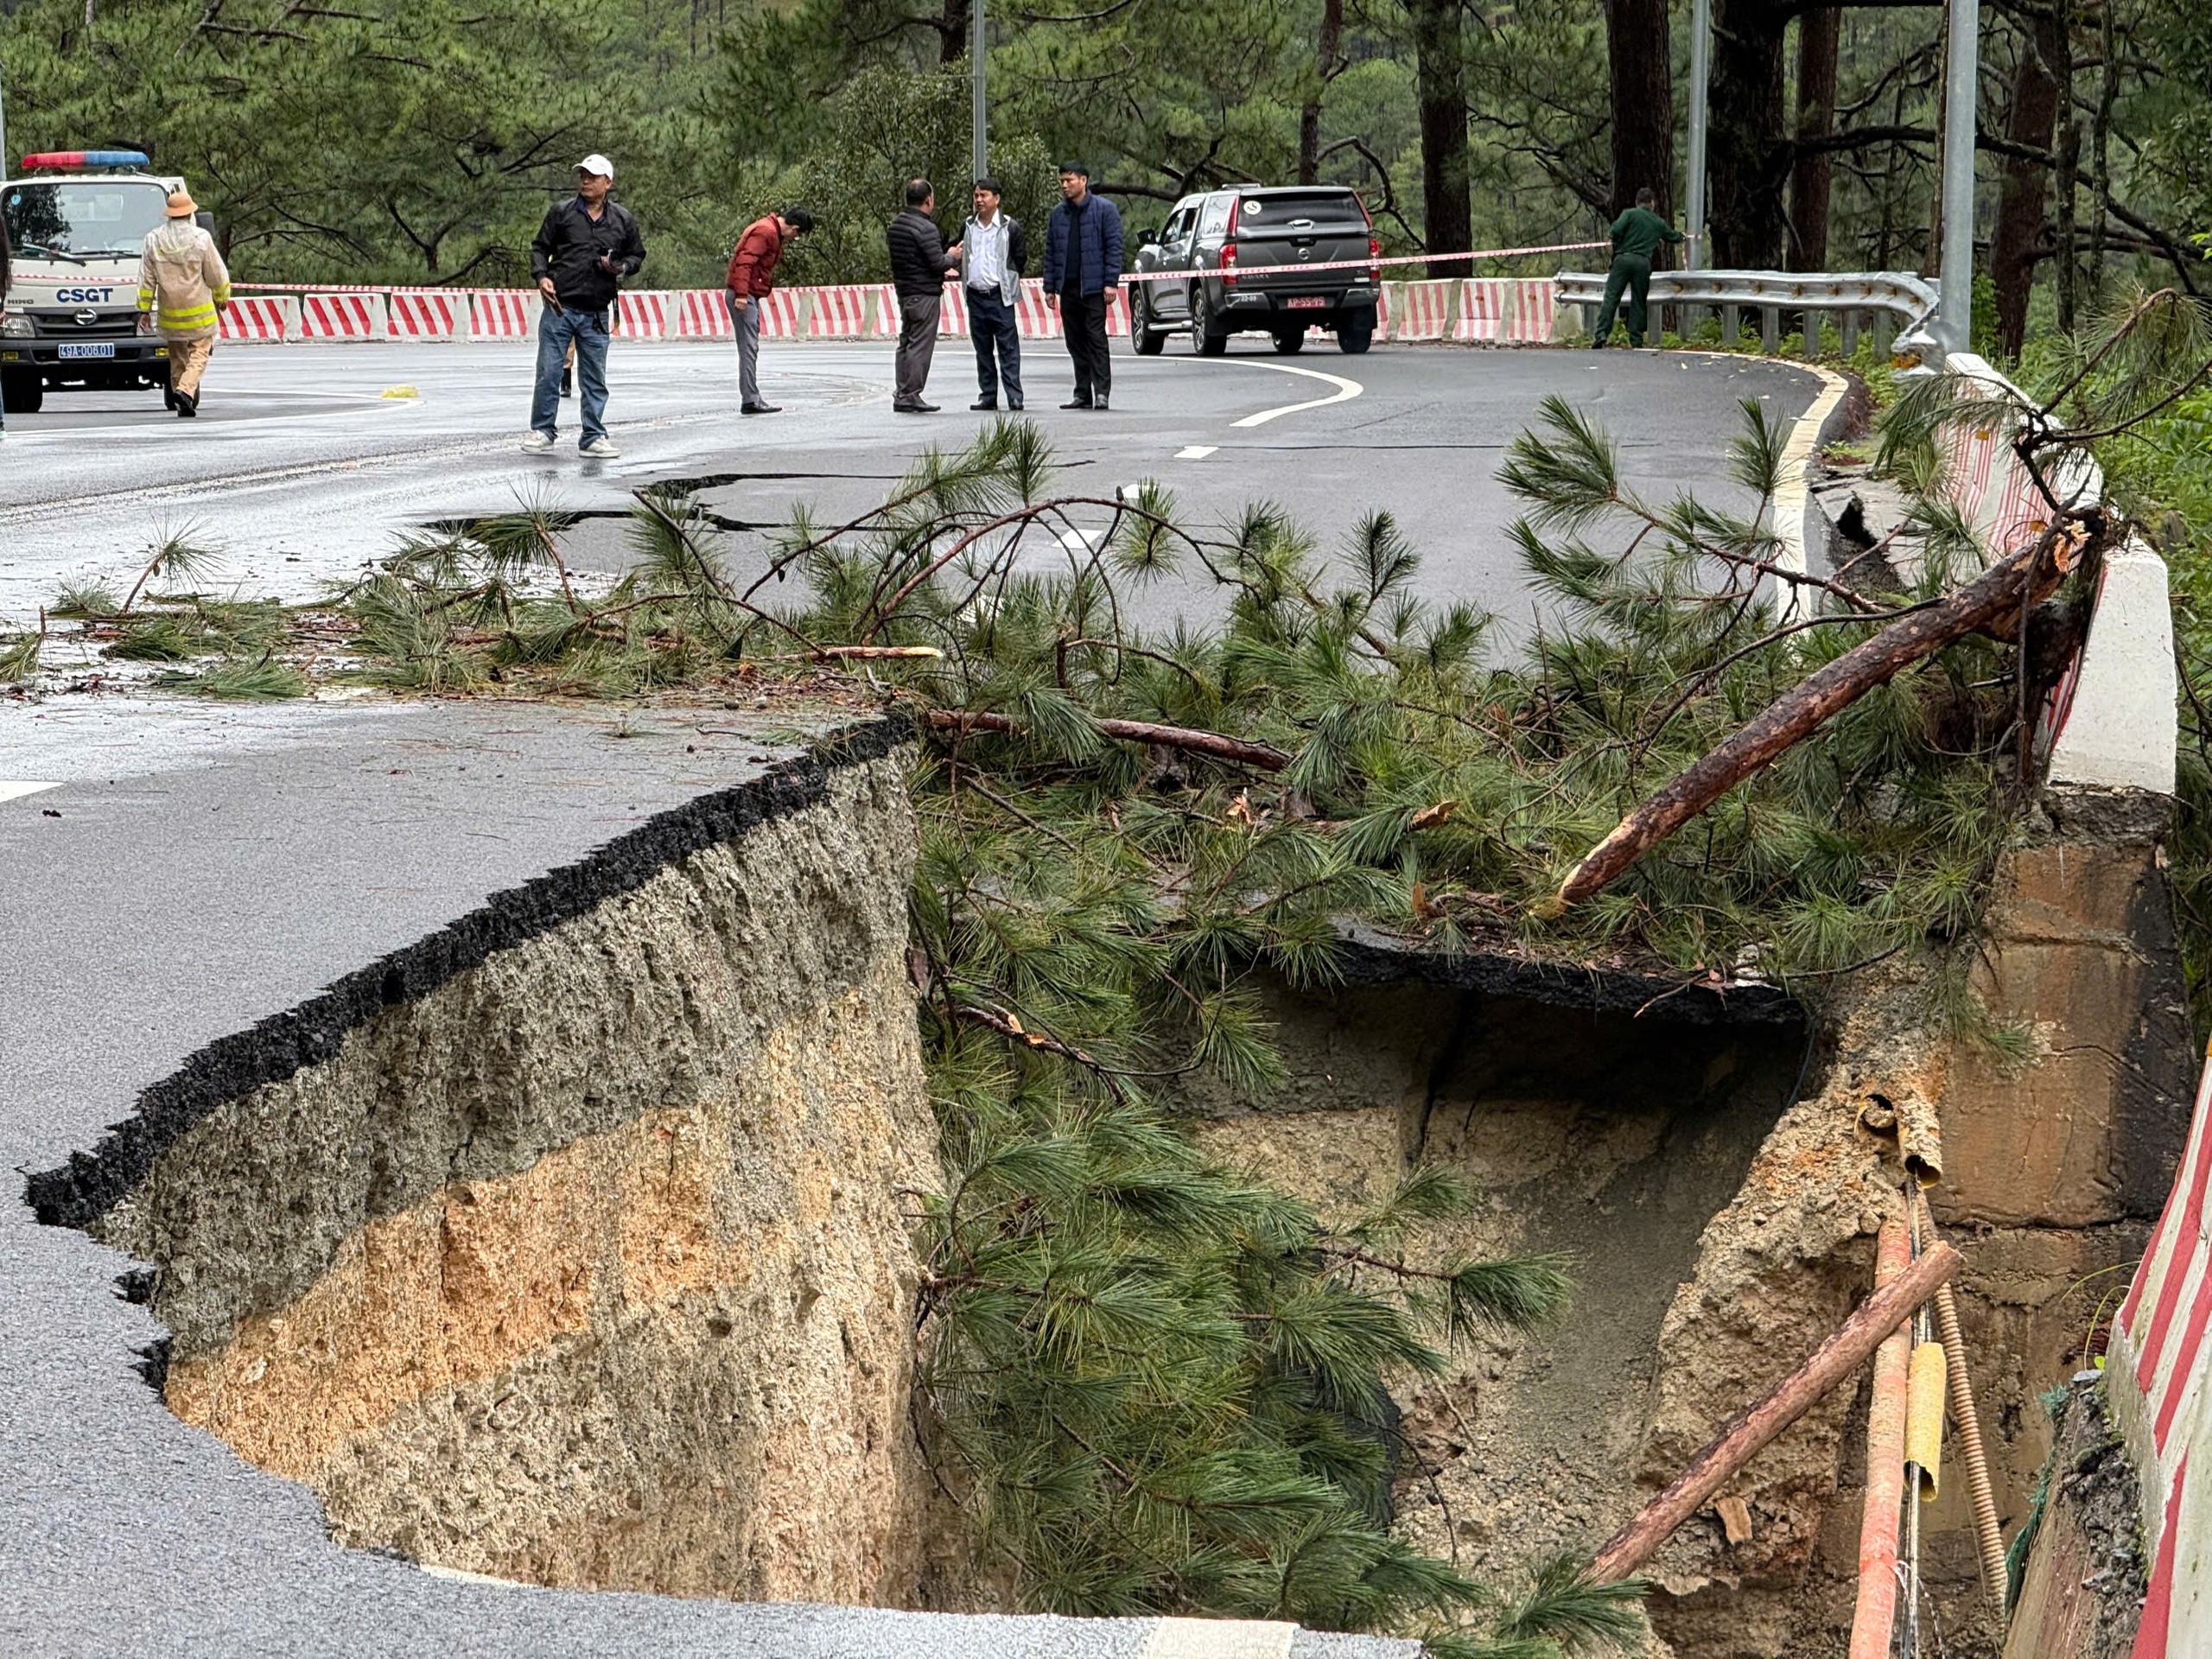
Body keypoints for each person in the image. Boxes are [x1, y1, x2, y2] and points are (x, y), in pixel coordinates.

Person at [524, 154, 645, 457]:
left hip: (597, 312)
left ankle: (593, 436)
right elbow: (539, 248)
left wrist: (621, 268)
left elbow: (637, 256)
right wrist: (541, 277)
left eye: (592, 176)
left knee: (594, 378)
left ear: (608, 182)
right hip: (559, 308)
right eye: (583, 175)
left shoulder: (622, 219)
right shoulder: (561, 213)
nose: (585, 180)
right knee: (549, 372)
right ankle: (543, 431)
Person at [135, 190, 231, 419]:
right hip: (200, 312)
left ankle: (181, 403)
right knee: (200, 353)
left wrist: (144, 310)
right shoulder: (201, 239)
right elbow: (216, 274)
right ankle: (185, 391)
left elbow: (146, 280)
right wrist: (222, 297)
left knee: (177, 356)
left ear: (169, 215)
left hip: (171, 312)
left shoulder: (153, 240)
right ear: (189, 214)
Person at [1041, 162, 1122, 410]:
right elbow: (1051, 252)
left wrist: (1110, 283)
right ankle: (1082, 392)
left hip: (1095, 288)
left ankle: (1102, 392)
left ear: (1084, 180)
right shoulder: (1058, 214)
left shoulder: (1104, 210)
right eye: (1062, 180)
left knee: (1096, 338)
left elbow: (1114, 247)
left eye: (1070, 179)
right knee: (1074, 340)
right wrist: (1050, 287)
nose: (1065, 185)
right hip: (1069, 289)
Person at [725, 207, 813, 415]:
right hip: (744, 295)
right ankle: (751, 399)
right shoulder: (767, 232)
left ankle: (751, 397)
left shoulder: (767, 229)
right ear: (794, 228)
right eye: (797, 235)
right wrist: (741, 294)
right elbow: (745, 262)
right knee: (749, 347)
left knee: (749, 347)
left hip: (747, 294)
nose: (794, 239)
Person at [887, 180, 962, 413]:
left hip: (905, 292)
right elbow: (937, 262)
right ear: (929, 200)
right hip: (925, 293)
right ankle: (911, 394)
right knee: (920, 345)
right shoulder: (926, 228)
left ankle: (902, 391)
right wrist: (952, 256)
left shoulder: (896, 226)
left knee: (906, 342)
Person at [962, 178, 1026, 412]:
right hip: (976, 296)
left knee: (1008, 348)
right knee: (982, 349)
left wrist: (1008, 280)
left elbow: (1020, 259)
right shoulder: (969, 225)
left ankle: (1014, 396)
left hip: (1000, 296)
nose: (979, 200)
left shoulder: (1010, 227)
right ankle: (988, 395)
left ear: (996, 199)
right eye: (976, 195)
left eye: (984, 195)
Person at [1592, 187, 1683, 350]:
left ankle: (1602, 334)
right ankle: (1636, 339)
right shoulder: (1657, 222)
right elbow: (1672, 236)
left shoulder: (1628, 214)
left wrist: (1618, 240)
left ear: (1637, 202)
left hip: (1623, 260)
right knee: (1639, 301)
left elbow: (1614, 231)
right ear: (1652, 203)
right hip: (1642, 263)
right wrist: (1683, 236)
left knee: (1611, 297)